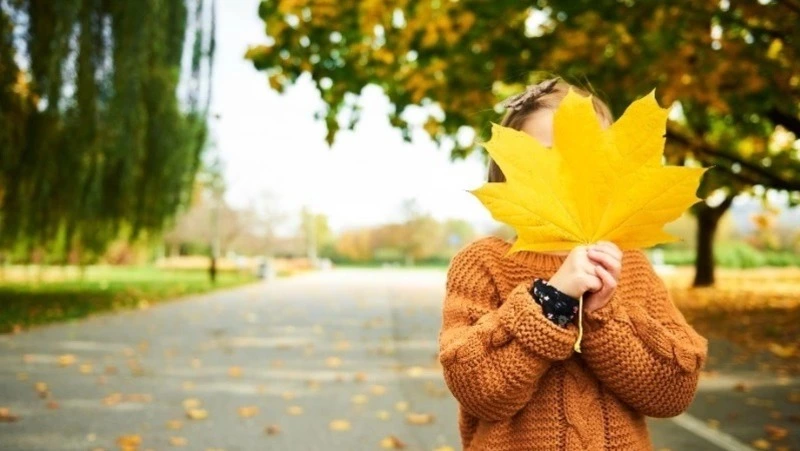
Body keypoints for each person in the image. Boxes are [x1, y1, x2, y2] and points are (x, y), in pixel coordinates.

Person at [438, 77, 709, 450]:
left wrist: (605, 317)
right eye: (546, 158)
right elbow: (479, 390)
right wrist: (552, 302)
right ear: (507, 174)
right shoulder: (484, 263)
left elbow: (674, 391)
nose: (566, 174)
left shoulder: (631, 266)